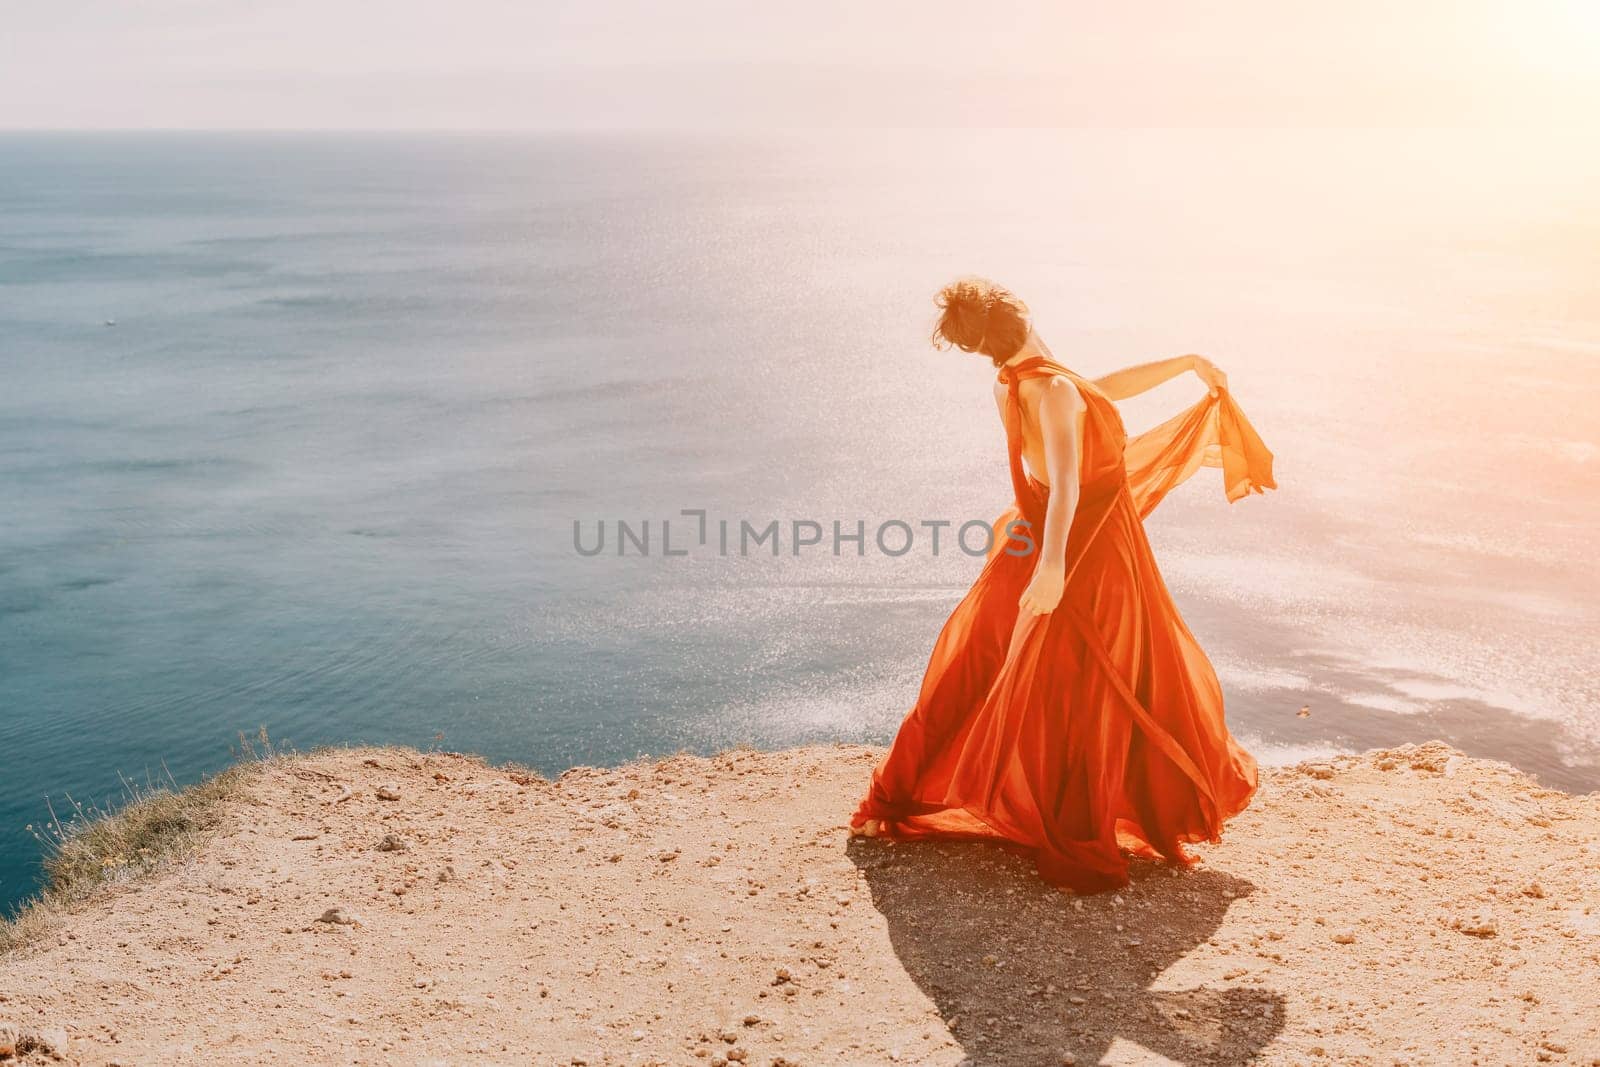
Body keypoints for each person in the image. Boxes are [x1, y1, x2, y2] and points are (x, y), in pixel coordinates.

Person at [849, 277, 1276, 893]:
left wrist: (1186, 364)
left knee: (990, 658)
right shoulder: (1049, 390)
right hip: (1085, 541)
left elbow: (1097, 391)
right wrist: (1052, 567)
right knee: (1102, 673)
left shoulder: (1025, 382)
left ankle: (904, 795)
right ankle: (1072, 813)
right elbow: (1068, 484)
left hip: (1049, 531)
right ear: (1020, 315)